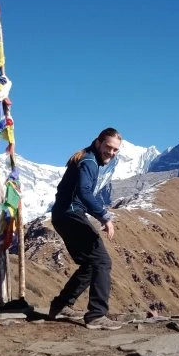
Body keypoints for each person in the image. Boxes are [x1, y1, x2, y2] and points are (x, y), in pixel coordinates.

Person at [48, 128, 123, 330]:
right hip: (71, 215)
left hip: (63, 215)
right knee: (102, 261)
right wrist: (105, 216)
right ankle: (97, 315)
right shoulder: (89, 161)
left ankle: (61, 305)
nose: (111, 153)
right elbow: (83, 192)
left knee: (91, 263)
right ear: (98, 143)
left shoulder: (87, 158)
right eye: (108, 147)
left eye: (116, 150)